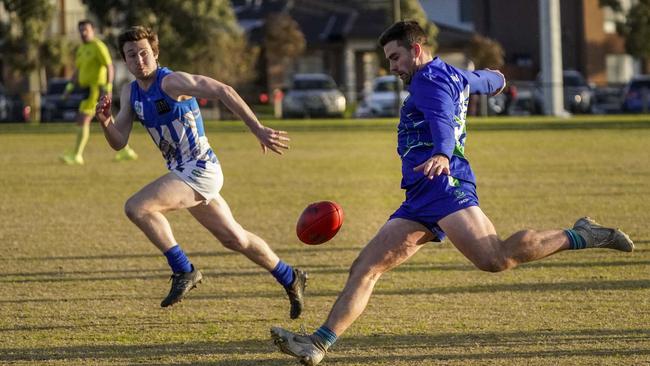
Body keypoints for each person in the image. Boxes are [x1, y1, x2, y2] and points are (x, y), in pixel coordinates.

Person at [270, 20, 634, 365]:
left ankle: (581, 234)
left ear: (416, 49)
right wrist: (496, 79)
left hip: (445, 184)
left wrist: (443, 151)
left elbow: (442, 118)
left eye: (395, 57)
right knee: (366, 268)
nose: (393, 67)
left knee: (495, 258)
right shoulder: (451, 73)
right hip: (419, 195)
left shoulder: (428, 80)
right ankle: (317, 344)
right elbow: (486, 80)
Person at [94, 26, 307, 318]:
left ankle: (184, 270)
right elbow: (119, 142)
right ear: (124, 60)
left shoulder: (172, 82)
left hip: (201, 168)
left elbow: (223, 90)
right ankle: (290, 276)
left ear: (155, 54)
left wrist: (256, 127)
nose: (139, 59)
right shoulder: (129, 93)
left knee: (137, 207)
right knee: (235, 239)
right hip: (182, 173)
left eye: (144, 53)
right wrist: (105, 122)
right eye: (131, 55)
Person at [60, 19, 137, 165]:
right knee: (107, 119)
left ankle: (77, 154)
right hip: (86, 89)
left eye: (86, 30)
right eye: (81, 30)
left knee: (83, 119)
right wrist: (68, 88)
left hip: (96, 89)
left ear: (92, 31)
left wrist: (107, 88)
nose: (83, 33)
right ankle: (126, 150)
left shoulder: (98, 46)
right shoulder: (81, 49)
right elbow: (77, 71)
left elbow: (109, 66)